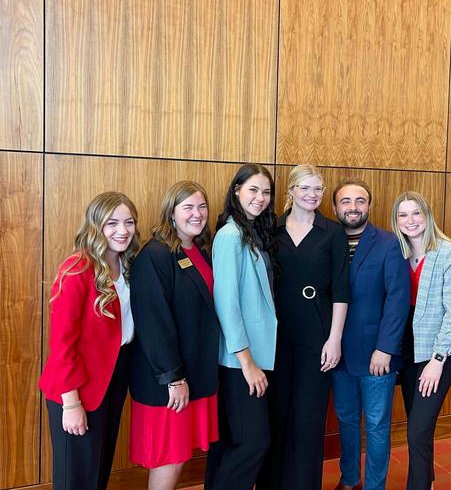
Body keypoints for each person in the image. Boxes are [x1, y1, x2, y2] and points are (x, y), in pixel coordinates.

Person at [39, 191, 140, 490]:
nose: (123, 230)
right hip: (77, 386)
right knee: (76, 479)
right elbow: (62, 345)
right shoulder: (77, 268)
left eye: (129, 222)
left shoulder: (128, 264)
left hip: (114, 377)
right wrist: (71, 404)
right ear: (96, 226)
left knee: (98, 473)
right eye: (112, 223)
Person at [258, 164, 350, 490]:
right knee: (276, 412)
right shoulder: (271, 229)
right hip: (276, 337)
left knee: (308, 417)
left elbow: (341, 291)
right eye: (305, 188)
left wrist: (334, 339)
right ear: (292, 191)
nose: (312, 195)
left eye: (318, 189)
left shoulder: (333, 233)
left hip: (316, 336)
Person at [128, 181, 220, 490]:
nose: (197, 214)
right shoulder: (155, 254)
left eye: (202, 206)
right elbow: (153, 322)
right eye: (188, 207)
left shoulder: (200, 250)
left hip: (196, 371)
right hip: (168, 381)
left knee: (178, 455)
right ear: (171, 213)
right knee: (170, 456)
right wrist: (174, 378)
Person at [330, 179, 410, 490]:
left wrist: (385, 348)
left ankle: (375, 486)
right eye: (346, 201)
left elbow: (397, 299)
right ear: (335, 207)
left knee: (376, 426)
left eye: (360, 201)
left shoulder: (389, 244)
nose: (353, 207)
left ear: (369, 206)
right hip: (337, 355)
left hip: (376, 355)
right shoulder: (328, 241)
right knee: (347, 420)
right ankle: (349, 479)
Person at [206, 164, 279, 490]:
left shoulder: (252, 231)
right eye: (253, 190)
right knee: (253, 442)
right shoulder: (230, 235)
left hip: (255, 354)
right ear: (236, 191)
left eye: (266, 192)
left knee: (232, 442)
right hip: (239, 359)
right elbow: (226, 303)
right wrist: (247, 362)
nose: (260, 198)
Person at [391, 191, 451, 490]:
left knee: (418, 430)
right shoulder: (398, 253)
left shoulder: (449, 252)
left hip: (437, 351)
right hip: (407, 349)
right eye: (403, 215)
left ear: (427, 215)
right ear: (396, 220)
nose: (410, 220)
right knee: (417, 425)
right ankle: (428, 481)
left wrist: (437, 360)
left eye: (416, 213)